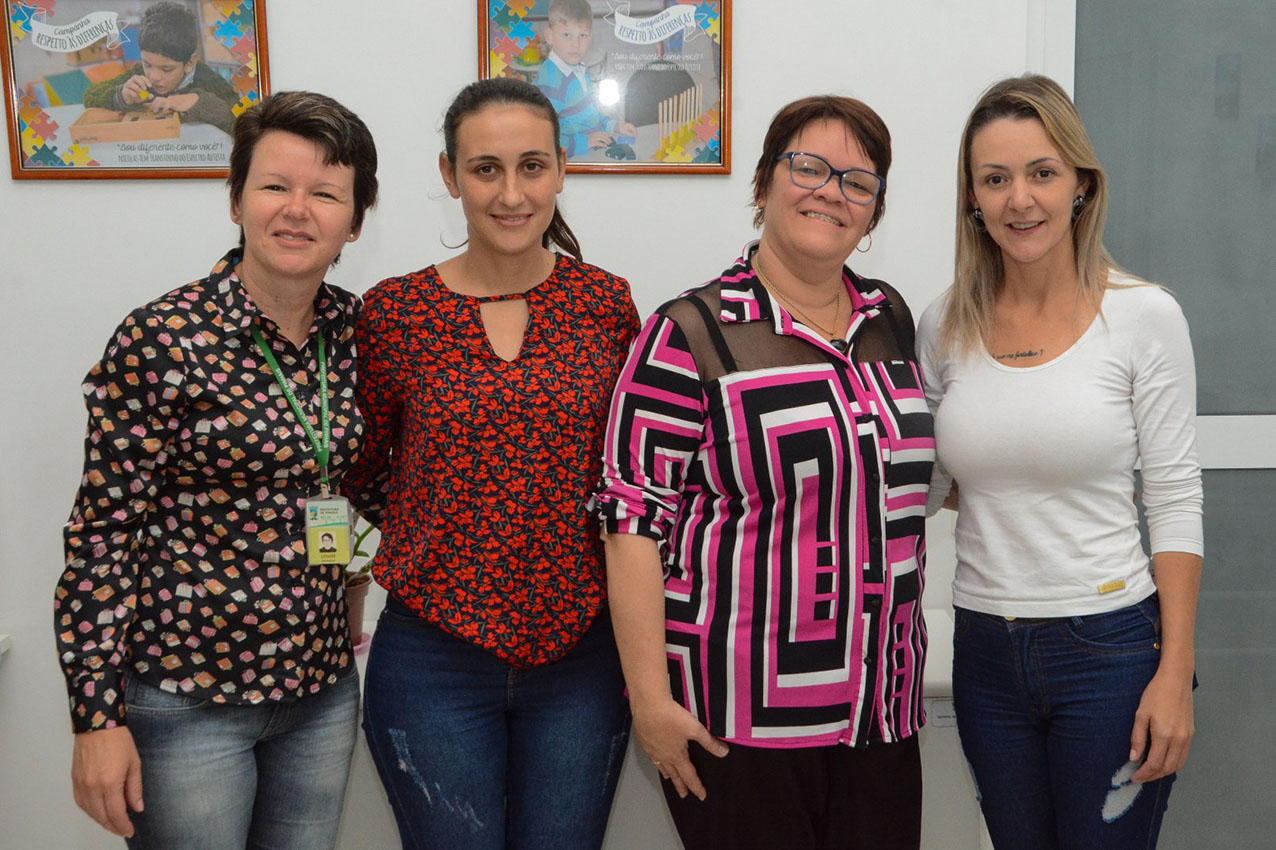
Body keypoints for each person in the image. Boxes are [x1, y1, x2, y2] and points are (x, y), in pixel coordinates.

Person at [595, 95, 934, 850]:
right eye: (808, 167)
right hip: (736, 722)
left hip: (881, 710)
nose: (830, 192)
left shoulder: (890, 320)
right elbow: (629, 523)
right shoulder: (689, 333)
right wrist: (650, 702)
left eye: (857, 182)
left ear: (873, 213)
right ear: (762, 183)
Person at [54, 90, 378, 849]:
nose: (296, 210)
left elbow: (370, 477)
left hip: (322, 691)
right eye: (275, 186)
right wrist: (95, 719)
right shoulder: (161, 337)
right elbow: (102, 533)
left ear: (355, 221)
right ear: (236, 200)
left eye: (325, 193)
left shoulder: (359, 331)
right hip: (186, 697)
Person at [343, 76, 639, 850]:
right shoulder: (393, 313)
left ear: (561, 169)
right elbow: (361, 466)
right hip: (431, 656)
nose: (511, 193)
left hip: (581, 655)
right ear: (450, 176)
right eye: (485, 169)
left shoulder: (607, 306)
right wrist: (445, 527)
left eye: (532, 166)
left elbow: (629, 476)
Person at [915, 74, 1203, 850]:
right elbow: (933, 481)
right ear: (972, 198)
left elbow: (1175, 500)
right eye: (995, 179)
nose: (1020, 200)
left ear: (1081, 183)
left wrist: (1174, 674)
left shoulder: (1144, 316)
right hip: (985, 650)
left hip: (1110, 652)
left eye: (1042, 172)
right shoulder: (944, 324)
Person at [83, 0, 238, 135]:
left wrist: (198, 101)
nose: (153, 77)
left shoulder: (208, 78)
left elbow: (240, 121)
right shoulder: (138, 73)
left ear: (189, 63)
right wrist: (122, 96)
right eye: (147, 64)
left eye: (166, 69)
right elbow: (90, 96)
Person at [534, 0, 636, 157]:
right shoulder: (551, 82)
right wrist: (584, 142)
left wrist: (615, 126)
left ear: (591, 37)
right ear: (549, 36)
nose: (575, 44)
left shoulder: (578, 68)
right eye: (566, 35)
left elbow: (589, 117)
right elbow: (540, 137)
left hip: (591, 149)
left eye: (582, 35)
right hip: (571, 159)